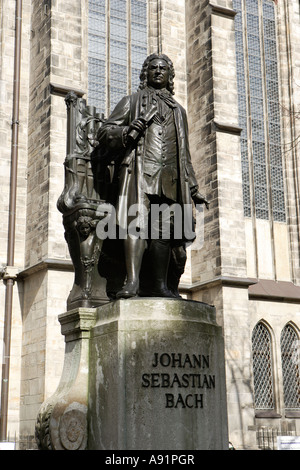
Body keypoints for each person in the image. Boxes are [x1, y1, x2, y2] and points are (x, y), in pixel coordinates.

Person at [96, 53, 209, 299]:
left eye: (163, 69)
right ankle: (133, 282)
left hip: (170, 176)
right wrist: (129, 129)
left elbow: (184, 153)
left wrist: (192, 186)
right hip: (139, 172)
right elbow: (104, 132)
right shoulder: (132, 101)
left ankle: (158, 285)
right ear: (146, 73)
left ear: (170, 76)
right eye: (153, 68)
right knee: (135, 224)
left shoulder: (179, 111)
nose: (158, 71)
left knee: (164, 231)